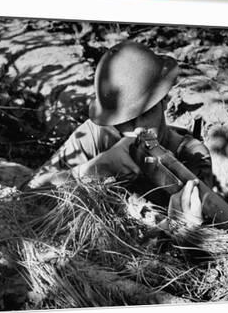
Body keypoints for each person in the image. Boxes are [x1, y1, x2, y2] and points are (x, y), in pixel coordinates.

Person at [28, 41, 214, 228]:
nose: (138, 129)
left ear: (164, 101)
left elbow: (196, 246)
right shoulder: (96, 135)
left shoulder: (190, 154)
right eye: (125, 120)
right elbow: (27, 196)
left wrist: (183, 228)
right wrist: (94, 168)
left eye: (146, 114)